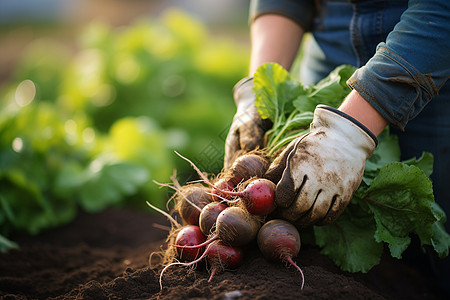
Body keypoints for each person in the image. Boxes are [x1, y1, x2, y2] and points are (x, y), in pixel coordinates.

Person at [224, 0, 450, 295]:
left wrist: (347, 134)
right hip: (330, 47)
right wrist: (257, 92)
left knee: (433, 263)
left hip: (431, 68)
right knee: (309, 211)